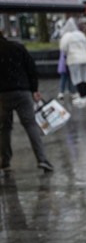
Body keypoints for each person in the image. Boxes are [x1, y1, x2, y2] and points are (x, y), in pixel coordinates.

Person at [0, 30, 54, 173]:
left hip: (3, 94)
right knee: (30, 125)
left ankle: (5, 162)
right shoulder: (17, 47)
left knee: (4, 128)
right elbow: (31, 68)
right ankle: (42, 160)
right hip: (22, 91)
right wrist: (34, 89)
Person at [59, 18, 86, 106]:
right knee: (84, 78)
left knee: (76, 78)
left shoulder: (67, 36)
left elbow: (63, 48)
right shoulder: (81, 34)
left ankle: (81, 96)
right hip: (85, 58)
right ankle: (85, 96)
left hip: (74, 59)